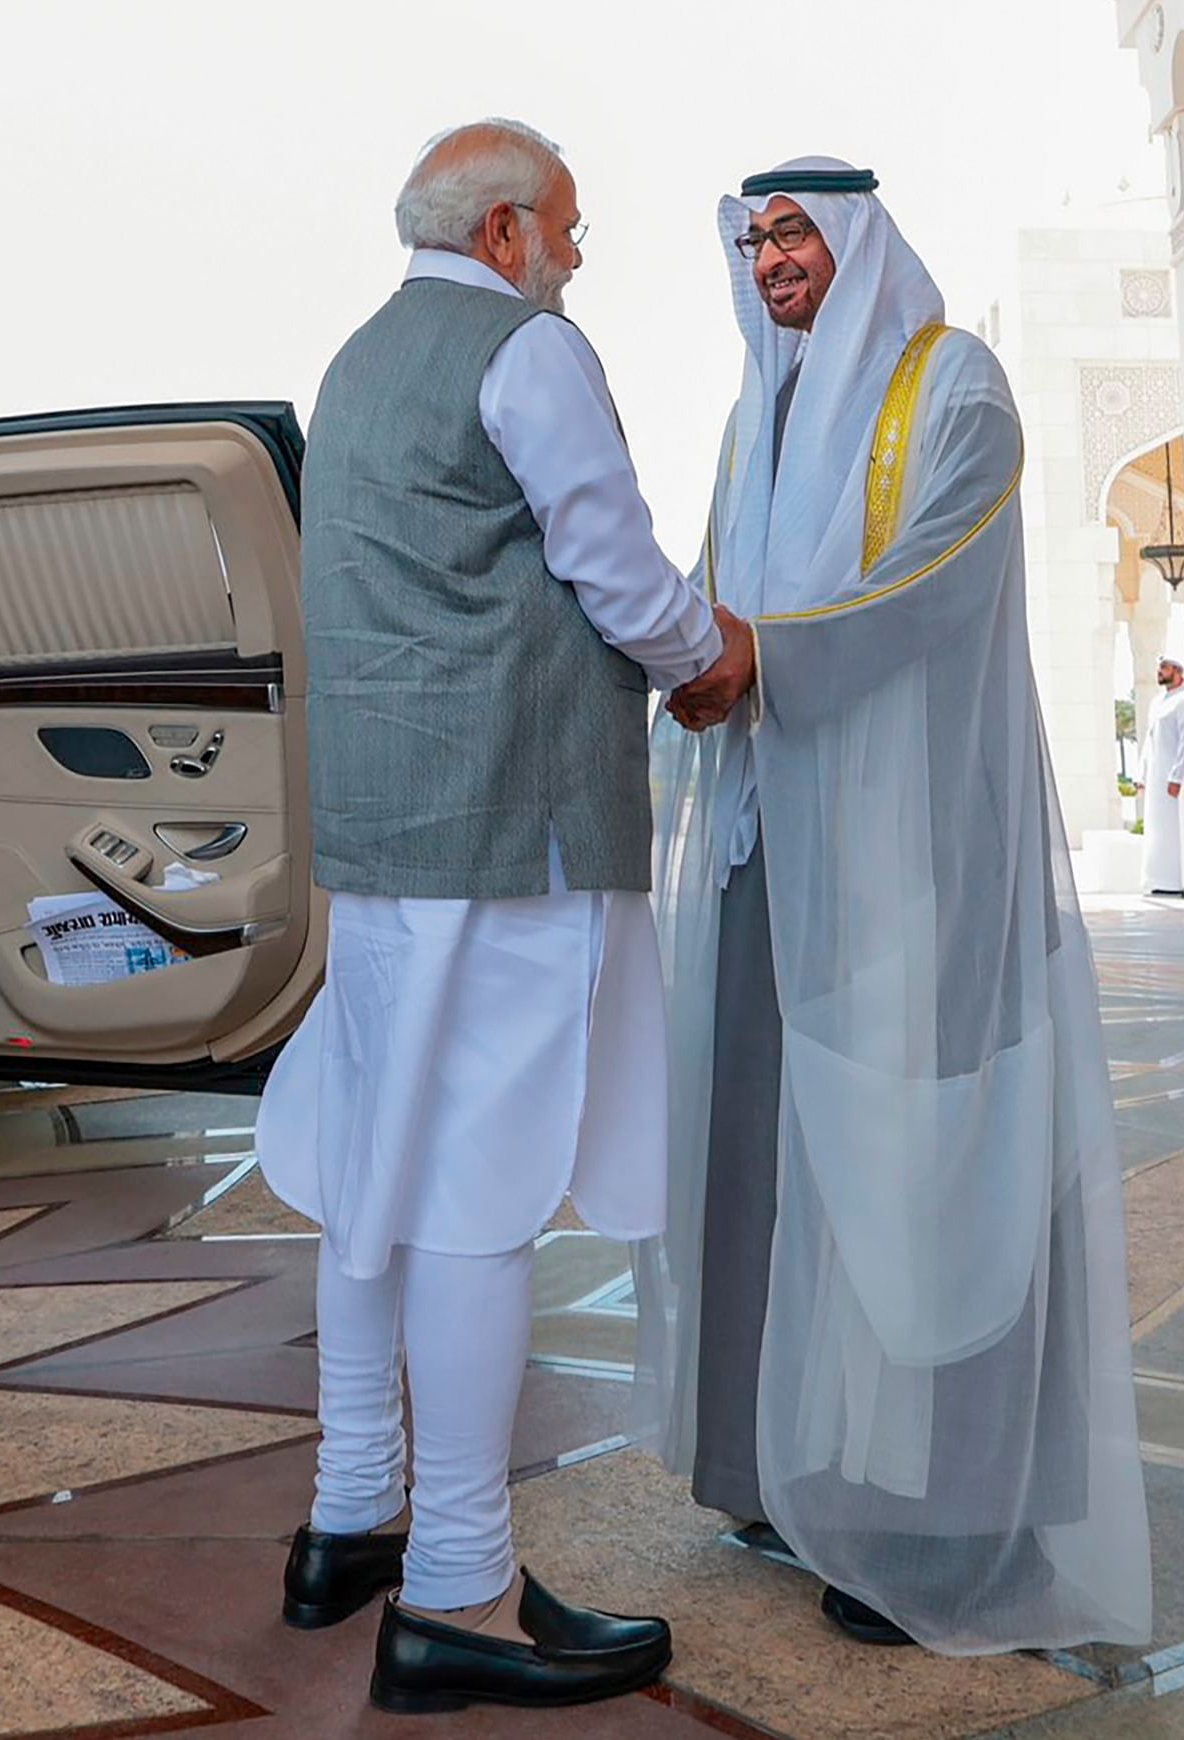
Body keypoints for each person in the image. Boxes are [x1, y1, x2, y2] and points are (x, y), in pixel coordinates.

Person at [255, 117, 753, 1715]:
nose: (581, 258)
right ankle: (459, 1588)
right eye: (574, 230)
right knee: (474, 1196)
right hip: (510, 834)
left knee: (375, 1171)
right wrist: (710, 657)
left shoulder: (351, 359)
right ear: (510, 230)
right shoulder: (529, 351)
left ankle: (351, 1518)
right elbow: (609, 562)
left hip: (395, 839)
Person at [635, 159, 1153, 1656]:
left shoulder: (955, 389)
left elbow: (926, 588)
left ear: (857, 242)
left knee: (918, 1172)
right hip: (766, 850)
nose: (771, 260)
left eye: (795, 233)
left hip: (915, 860)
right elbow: (706, 589)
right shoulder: (757, 415)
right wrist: (674, 653)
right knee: (757, 1152)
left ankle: (935, 1523)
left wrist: (750, 655)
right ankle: (770, 1468)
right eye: (754, 240)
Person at [1142, 657, 1184, 897]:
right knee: (1158, 831)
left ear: (1178, 672)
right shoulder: (1158, 702)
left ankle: (1177, 881)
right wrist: (1142, 774)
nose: (1159, 672)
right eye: (1159, 668)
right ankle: (1159, 880)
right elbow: (1149, 739)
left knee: (1175, 830)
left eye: (1164, 668)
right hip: (1157, 779)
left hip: (1174, 780)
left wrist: (1177, 775)